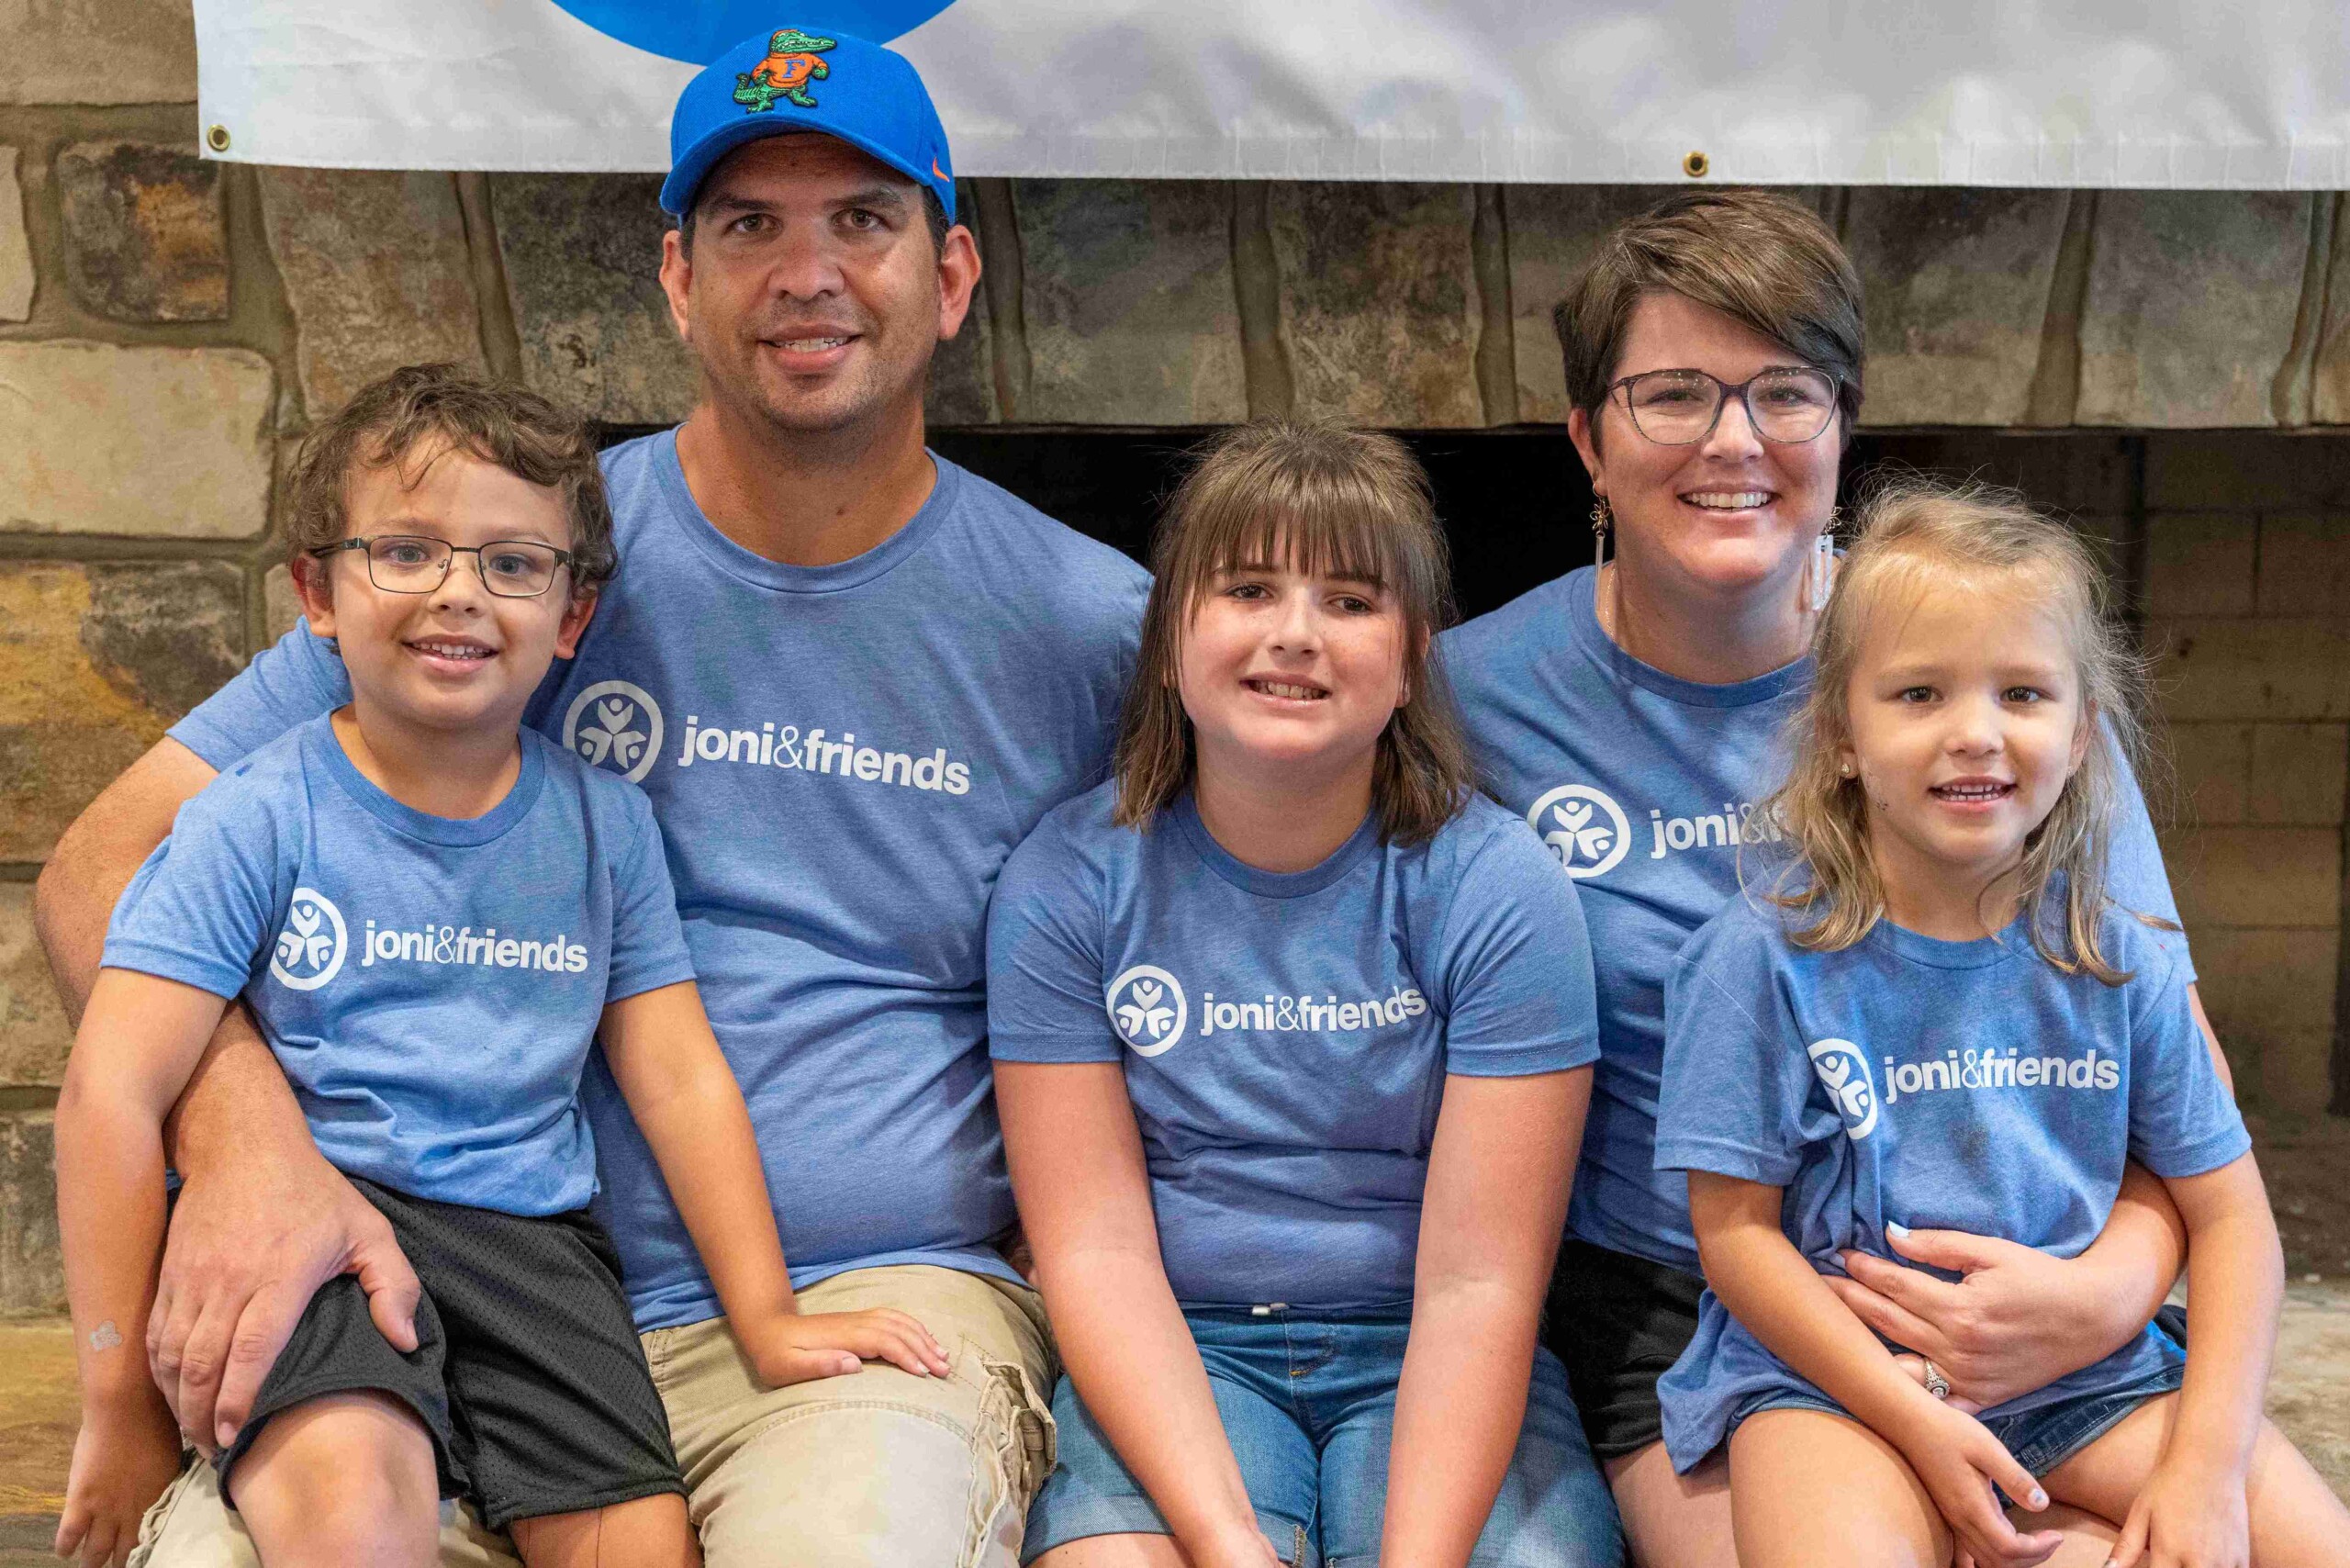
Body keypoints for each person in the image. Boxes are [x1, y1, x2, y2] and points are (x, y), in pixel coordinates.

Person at [33, 27, 1148, 1568]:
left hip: (854, 1306)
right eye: (749, 225)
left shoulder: (1094, 624)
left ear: (951, 278)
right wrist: (246, 1147)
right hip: (397, 1286)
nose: (807, 271)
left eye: (864, 221)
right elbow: (101, 864)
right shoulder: (504, 550)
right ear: (679, 283)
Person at [1442, 189, 2226, 1565]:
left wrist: (2108, 1289)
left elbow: (2173, 1089)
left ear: (1844, 426)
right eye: (1671, 394)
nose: (1732, 441)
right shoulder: (1471, 700)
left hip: (2037, 1297)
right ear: (1587, 439)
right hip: (1700, 1310)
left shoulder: (1982, 673)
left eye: (1783, 392)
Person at [55, 366, 942, 1568]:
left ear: (571, 617)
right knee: (353, 1504)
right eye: (407, 552)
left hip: (534, 1244)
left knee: (642, 1542)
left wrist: (769, 1315)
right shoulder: (254, 821)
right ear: (317, 593)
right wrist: (114, 1407)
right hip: (326, 1229)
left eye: (512, 564)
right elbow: (112, 1089)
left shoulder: (606, 828)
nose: (458, 594)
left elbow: (677, 1078)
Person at [1654, 482, 2349, 1567]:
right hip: (1842, 1385)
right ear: (1841, 731)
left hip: (2092, 1378)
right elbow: (1734, 1235)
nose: (1974, 733)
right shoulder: (1756, 957)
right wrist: (1917, 1417)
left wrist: (2204, 1471)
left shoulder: (2124, 960)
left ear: (2081, 737)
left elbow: (2234, 1226)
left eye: (2023, 693)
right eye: (1920, 692)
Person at [988, 423, 1624, 1568]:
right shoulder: (1066, 879)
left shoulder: (1498, 886)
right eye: (1245, 588)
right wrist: (1226, 1542)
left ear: (1414, 653)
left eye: (1348, 599)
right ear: (1171, 631)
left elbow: (1481, 1282)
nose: (1294, 634)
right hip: (1183, 1350)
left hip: (1433, 1347)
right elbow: (1094, 1251)